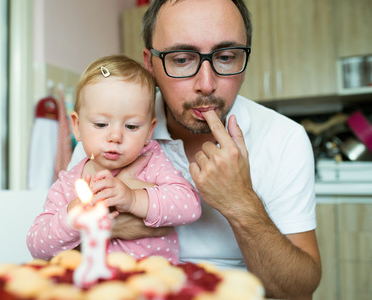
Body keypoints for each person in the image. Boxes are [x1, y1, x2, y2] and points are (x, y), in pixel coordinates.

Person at [69, 0, 321, 299]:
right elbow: (57, 254)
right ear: (150, 63)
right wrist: (103, 225)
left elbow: (298, 289)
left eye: (226, 57)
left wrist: (240, 203)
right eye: (182, 59)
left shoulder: (283, 138)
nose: (206, 84)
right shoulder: (110, 134)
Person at [27, 55, 201, 264]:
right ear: (76, 125)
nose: (115, 137)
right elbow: (37, 246)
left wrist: (134, 199)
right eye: (101, 124)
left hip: (151, 283)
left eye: (132, 126)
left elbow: (190, 206)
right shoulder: (68, 183)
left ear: (149, 130)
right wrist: (71, 218)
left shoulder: (151, 160)